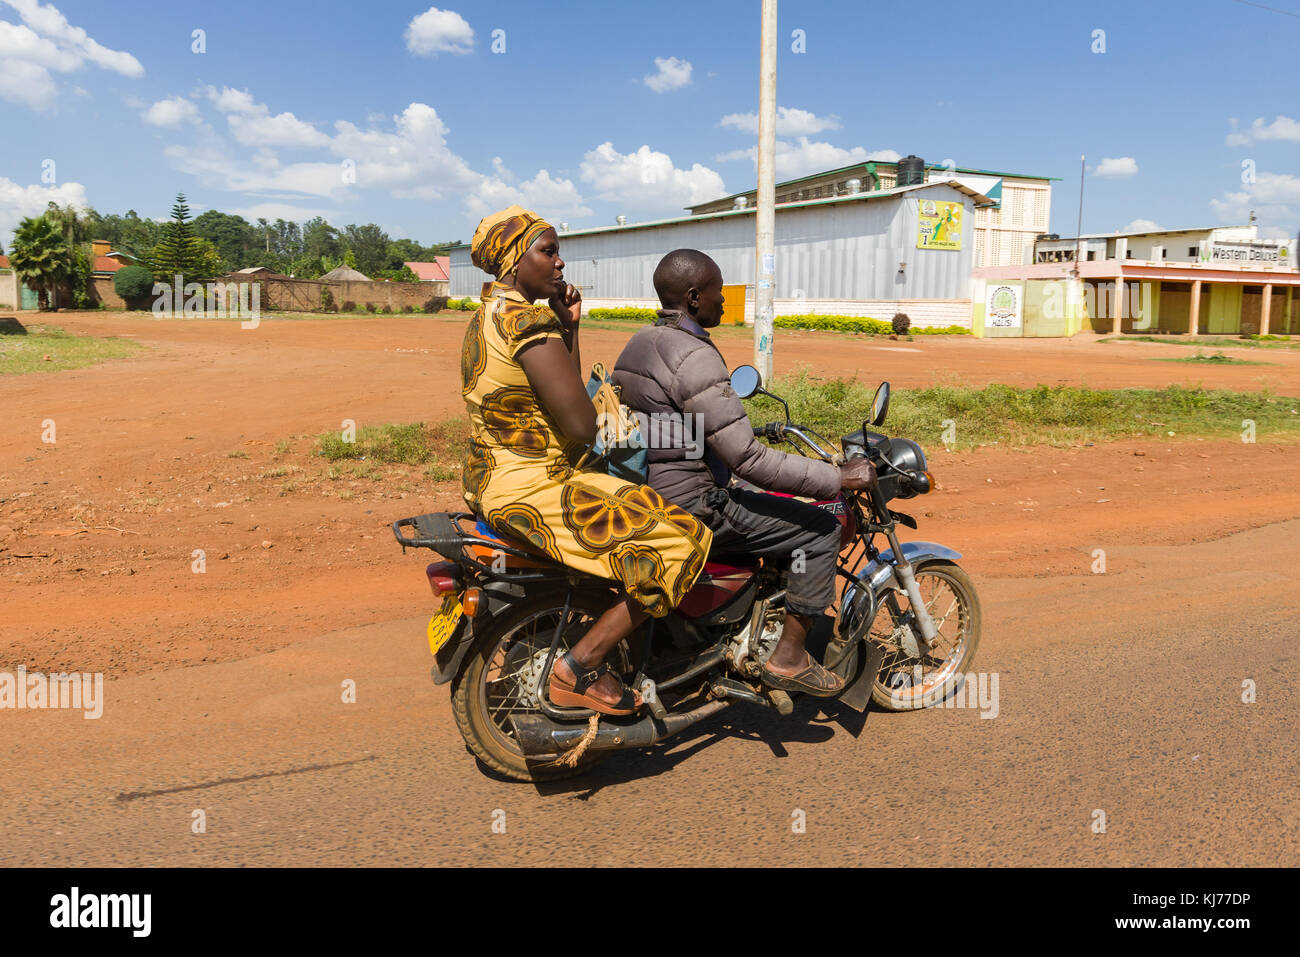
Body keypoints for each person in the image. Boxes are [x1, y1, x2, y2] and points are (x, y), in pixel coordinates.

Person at [461, 208, 713, 716]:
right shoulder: (526, 320)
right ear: (514, 258)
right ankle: (578, 669)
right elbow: (580, 426)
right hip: (532, 486)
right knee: (683, 541)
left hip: (493, 480)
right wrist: (662, 431)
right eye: (547, 251)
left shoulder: (486, 315)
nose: (559, 263)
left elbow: (558, 397)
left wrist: (568, 327)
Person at [613, 249, 875, 698]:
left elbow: (677, 424)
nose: (725, 299)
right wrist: (836, 478)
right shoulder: (693, 354)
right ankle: (789, 657)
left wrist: (736, 431)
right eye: (718, 289)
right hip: (692, 501)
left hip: (647, 489)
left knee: (758, 498)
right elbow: (748, 460)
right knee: (818, 528)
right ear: (694, 297)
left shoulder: (641, 340)